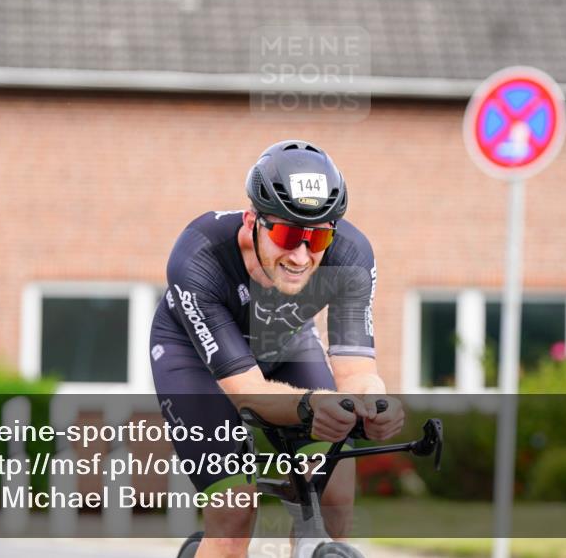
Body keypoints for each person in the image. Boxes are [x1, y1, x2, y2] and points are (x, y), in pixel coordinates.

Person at [150, 140, 404, 558]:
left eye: (318, 238)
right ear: (252, 220)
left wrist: (374, 405)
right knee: (233, 515)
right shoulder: (200, 256)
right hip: (194, 359)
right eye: (287, 235)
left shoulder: (351, 256)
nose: (301, 256)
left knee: (334, 493)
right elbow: (248, 392)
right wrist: (312, 405)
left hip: (286, 342)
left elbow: (357, 371)